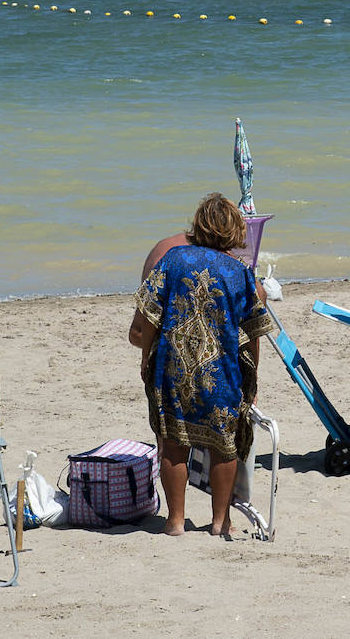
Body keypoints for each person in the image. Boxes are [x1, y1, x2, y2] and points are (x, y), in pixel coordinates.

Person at [128, 193, 274, 537]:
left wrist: (146, 356)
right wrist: (251, 379)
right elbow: (253, 332)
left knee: (173, 441)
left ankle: (175, 521)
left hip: (173, 366)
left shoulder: (174, 258)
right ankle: (220, 523)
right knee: (224, 444)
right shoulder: (240, 272)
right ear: (235, 230)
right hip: (220, 370)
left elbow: (150, 315)